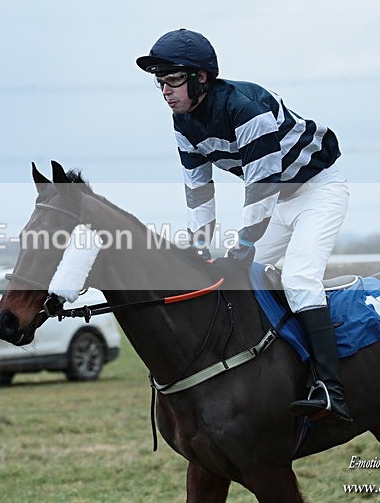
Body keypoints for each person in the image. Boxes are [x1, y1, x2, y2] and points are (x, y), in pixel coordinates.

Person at [136, 28, 352, 424]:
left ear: (201, 78)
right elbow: (198, 191)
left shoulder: (244, 108)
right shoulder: (184, 122)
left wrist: (242, 247)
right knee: (235, 283)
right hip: (276, 202)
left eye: (173, 80)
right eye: (159, 82)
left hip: (317, 191)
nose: (165, 91)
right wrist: (200, 248)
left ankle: (330, 389)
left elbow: (261, 186)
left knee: (300, 280)